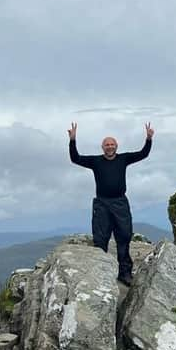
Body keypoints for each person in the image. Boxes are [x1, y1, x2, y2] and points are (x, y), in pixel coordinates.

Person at [67, 122, 154, 286]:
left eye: (112, 144)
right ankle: (100, 274)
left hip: (120, 202)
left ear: (116, 146)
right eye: (107, 144)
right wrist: (72, 140)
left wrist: (148, 139)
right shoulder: (95, 161)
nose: (110, 147)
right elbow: (75, 158)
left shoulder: (124, 158)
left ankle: (125, 273)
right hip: (102, 204)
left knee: (124, 236)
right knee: (100, 239)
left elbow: (143, 154)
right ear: (102, 147)